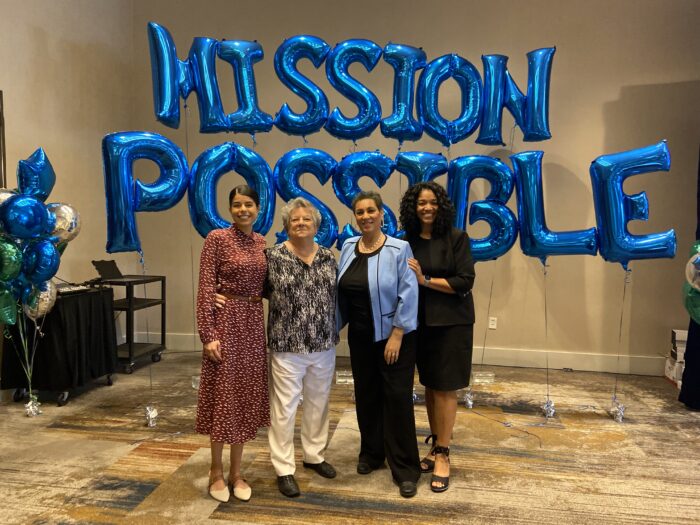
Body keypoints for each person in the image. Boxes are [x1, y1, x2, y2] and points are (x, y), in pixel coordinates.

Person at [336, 190, 421, 498]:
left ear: (382, 214)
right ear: (354, 217)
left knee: (397, 399)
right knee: (367, 395)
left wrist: (397, 334)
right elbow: (340, 293)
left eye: (371, 210)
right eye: (359, 212)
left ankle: (406, 468)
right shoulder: (347, 247)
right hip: (359, 338)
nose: (366, 216)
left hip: (393, 338)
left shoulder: (399, 248)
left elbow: (408, 293)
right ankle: (372, 453)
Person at [399, 181, 476, 493]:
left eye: (432, 202)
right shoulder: (408, 242)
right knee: (430, 386)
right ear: (412, 209)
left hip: (451, 324)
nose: (426, 208)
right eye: (421, 203)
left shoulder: (456, 238)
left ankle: (444, 452)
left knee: (445, 388)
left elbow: (464, 281)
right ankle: (435, 445)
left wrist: (425, 279)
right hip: (420, 323)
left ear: (440, 206)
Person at [195, 185, 269, 503]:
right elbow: (205, 287)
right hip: (226, 324)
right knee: (224, 397)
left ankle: (237, 472)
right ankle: (216, 471)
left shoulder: (262, 242)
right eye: (237, 205)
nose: (243, 210)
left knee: (245, 397)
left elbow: (267, 285)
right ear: (230, 209)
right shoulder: (216, 239)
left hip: (253, 323)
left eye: (248, 204)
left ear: (258, 207)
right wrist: (208, 334)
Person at [265, 198, 339, 497]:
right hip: (286, 345)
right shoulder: (272, 258)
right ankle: (284, 468)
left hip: (323, 343)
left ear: (316, 224)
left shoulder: (328, 258)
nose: (300, 223)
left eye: (306, 219)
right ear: (286, 226)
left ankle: (314, 455)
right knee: (283, 411)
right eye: (294, 220)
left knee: (318, 405)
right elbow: (255, 293)